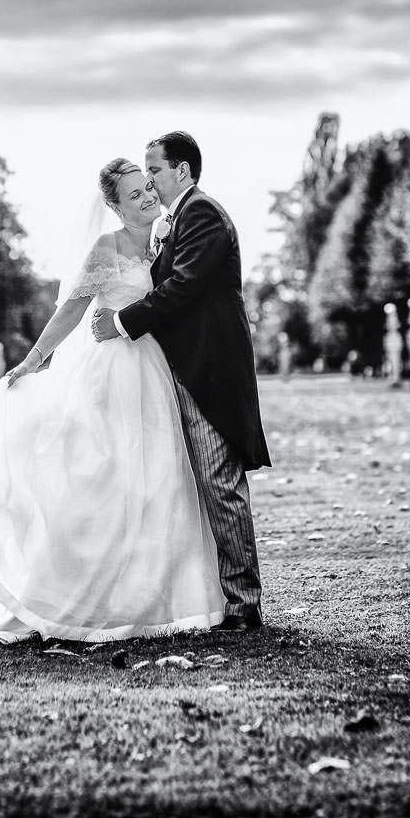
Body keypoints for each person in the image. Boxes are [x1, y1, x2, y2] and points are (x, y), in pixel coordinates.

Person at [0, 158, 224, 643]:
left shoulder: (165, 241)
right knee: (103, 476)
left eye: (146, 188)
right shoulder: (106, 248)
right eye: (133, 194)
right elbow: (72, 310)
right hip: (109, 374)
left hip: (153, 373)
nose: (146, 197)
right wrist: (33, 361)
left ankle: (153, 599)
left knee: (158, 481)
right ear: (113, 206)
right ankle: (74, 598)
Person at [93, 132, 270, 632]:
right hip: (187, 368)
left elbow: (183, 287)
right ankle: (226, 596)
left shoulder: (202, 214)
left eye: (154, 169)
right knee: (203, 485)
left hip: (209, 369)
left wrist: (123, 322)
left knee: (219, 481)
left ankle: (242, 603)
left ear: (182, 172)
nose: (147, 179)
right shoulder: (176, 220)